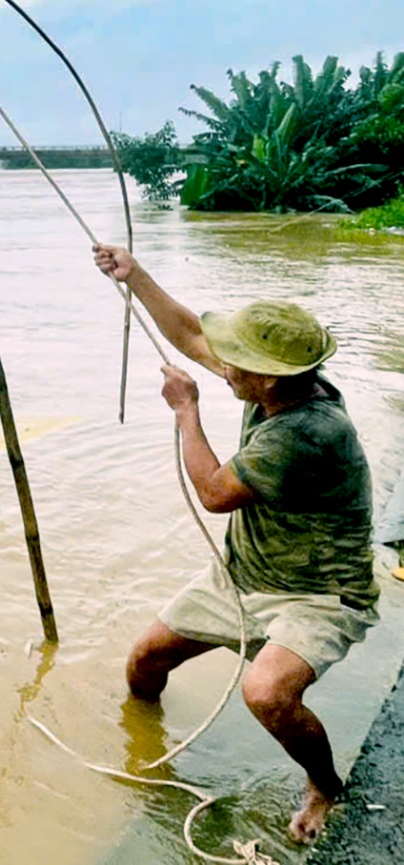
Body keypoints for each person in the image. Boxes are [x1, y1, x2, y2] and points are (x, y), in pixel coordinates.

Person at [93, 243, 378, 845]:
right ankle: (149, 749)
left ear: (267, 376)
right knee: (145, 660)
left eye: (237, 364)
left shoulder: (306, 430)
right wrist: (134, 274)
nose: (224, 367)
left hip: (321, 591)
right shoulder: (279, 386)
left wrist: (187, 412)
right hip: (246, 573)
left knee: (267, 692)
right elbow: (195, 334)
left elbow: (217, 493)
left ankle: (325, 784)